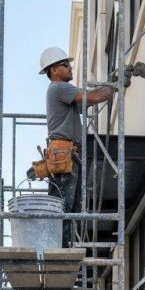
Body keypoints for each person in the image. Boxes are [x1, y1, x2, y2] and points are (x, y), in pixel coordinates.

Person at [38, 46, 122, 247]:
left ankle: (63, 247)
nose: (69, 67)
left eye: (69, 63)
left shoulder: (62, 92)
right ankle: (58, 249)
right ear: (53, 70)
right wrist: (114, 87)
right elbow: (92, 97)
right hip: (64, 154)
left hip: (68, 154)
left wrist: (109, 88)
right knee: (63, 206)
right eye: (64, 64)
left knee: (70, 207)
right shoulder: (60, 88)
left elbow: (89, 101)